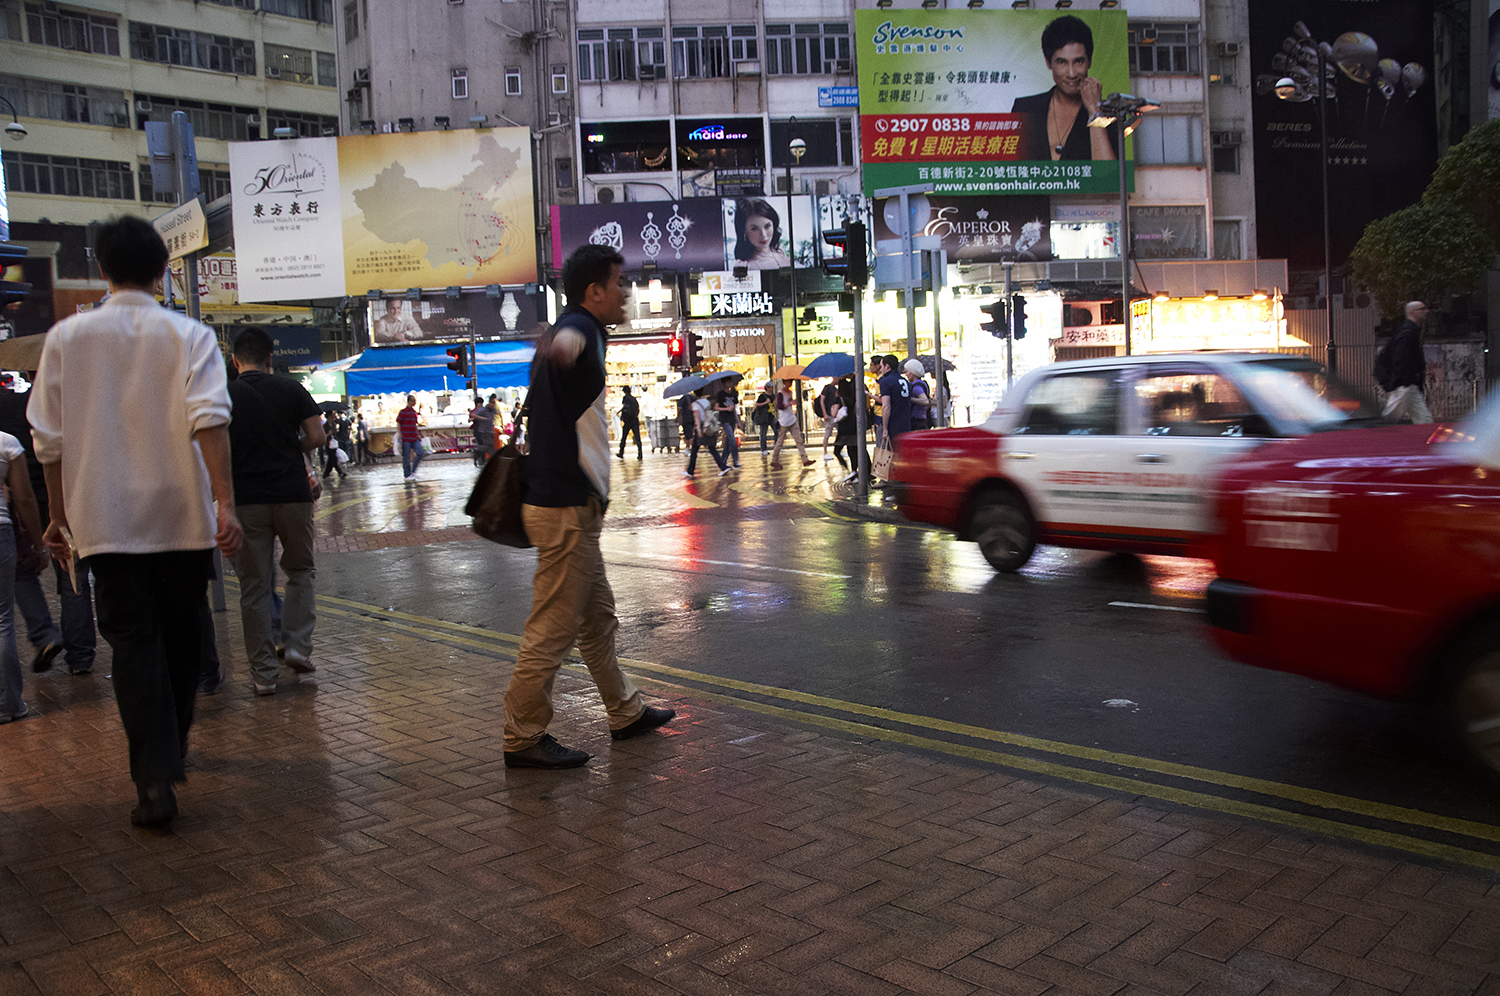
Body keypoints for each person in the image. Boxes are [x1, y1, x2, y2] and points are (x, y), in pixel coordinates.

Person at [29, 215, 243, 827]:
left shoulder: (66, 338)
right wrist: (224, 504)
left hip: (103, 520)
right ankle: (169, 747)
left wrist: (58, 515)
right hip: (180, 517)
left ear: (101, 269)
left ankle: (153, 775)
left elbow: (48, 441)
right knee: (180, 637)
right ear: (161, 271)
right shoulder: (189, 335)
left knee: (131, 644)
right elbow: (211, 422)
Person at [503, 243, 675, 769]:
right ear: (594, 291)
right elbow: (568, 341)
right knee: (552, 627)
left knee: (596, 617)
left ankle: (624, 712)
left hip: (573, 506)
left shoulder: (580, 330)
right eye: (619, 283)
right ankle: (522, 736)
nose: (626, 293)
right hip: (564, 507)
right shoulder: (578, 328)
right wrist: (565, 342)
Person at [226, 327, 325, 696]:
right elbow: (316, 437)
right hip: (292, 495)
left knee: (254, 587)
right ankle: (297, 645)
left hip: (246, 499)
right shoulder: (291, 389)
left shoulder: (225, 394)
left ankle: (264, 675)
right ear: (271, 358)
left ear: (236, 362)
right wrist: (289, 448)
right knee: (300, 571)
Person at [0, 377, 95, 677]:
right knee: (72, 575)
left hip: (22, 500)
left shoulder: (7, 407)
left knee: (21, 575)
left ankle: (44, 636)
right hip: (65, 497)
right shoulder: (62, 406)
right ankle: (79, 656)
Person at [1010, 15, 1119, 163]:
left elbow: (1109, 179)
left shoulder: (1109, 115)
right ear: (1048, 63)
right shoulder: (1025, 108)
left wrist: (1095, 110)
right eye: (1062, 62)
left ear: (1090, 61)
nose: (1072, 73)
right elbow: (1007, 172)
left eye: (1078, 62)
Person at [0, 428, 50, 723]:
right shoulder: (7, 442)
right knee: (3, 619)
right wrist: (37, 544)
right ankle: (7, 705)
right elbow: (25, 499)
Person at [1382, 301, 1433, 424]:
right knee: (1389, 418)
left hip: (1408, 384)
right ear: (1413, 312)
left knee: (1424, 420)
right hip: (1405, 384)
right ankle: (1371, 435)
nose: (1426, 311)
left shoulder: (1408, 331)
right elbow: (1402, 358)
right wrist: (1403, 379)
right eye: (1422, 309)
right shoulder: (1408, 333)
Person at [732, 198, 791, 270]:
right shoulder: (744, 265)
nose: (764, 235)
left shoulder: (780, 252)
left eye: (767, 226)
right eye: (755, 229)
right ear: (744, 231)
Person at [685, 387, 731, 478]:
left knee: (696, 450)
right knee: (711, 448)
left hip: (702, 428)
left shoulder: (695, 404)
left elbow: (697, 418)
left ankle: (691, 471)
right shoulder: (706, 402)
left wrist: (698, 430)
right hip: (709, 426)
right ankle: (722, 466)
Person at [769, 380, 814, 469]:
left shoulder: (790, 392)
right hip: (784, 421)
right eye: (788, 382)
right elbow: (779, 406)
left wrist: (793, 402)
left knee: (799, 440)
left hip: (792, 419)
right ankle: (774, 460)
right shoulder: (780, 393)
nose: (790, 383)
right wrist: (789, 404)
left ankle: (805, 459)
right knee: (780, 442)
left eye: (791, 382)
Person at [876, 355, 913, 446]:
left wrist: (885, 429)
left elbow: (886, 406)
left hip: (893, 424)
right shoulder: (905, 382)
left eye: (881, 367)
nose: (880, 370)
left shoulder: (885, 382)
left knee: (893, 454)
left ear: (887, 366)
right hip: (906, 423)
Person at [396, 394, 424, 479]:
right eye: (412, 401)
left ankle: (413, 471)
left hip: (414, 437)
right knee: (406, 457)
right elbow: (398, 423)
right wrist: (399, 434)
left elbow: (414, 425)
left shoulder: (414, 413)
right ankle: (407, 474)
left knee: (420, 452)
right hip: (406, 437)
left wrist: (417, 434)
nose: (414, 402)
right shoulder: (403, 412)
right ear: (408, 401)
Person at [714, 385, 741, 469]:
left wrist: (738, 421)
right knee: (732, 439)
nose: (729, 384)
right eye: (728, 382)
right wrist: (726, 409)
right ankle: (735, 460)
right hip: (724, 420)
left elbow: (735, 409)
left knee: (729, 441)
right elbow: (716, 407)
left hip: (732, 419)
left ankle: (723, 461)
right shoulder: (721, 394)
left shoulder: (733, 394)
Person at [904, 359, 933, 431]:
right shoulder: (923, 383)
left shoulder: (916, 387)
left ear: (912, 372)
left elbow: (925, 401)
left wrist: (909, 399)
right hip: (923, 418)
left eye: (906, 372)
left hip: (916, 419)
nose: (906, 374)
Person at [617, 385, 641, 460]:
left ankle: (621, 452)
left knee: (624, 437)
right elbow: (637, 408)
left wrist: (623, 417)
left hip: (628, 420)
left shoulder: (625, 398)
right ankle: (640, 453)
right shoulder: (634, 399)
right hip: (634, 419)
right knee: (637, 437)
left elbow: (625, 408)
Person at [320, 412, 347, 480]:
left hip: (334, 444)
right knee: (333, 459)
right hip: (328, 444)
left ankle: (326, 474)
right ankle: (339, 472)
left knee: (331, 460)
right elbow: (323, 436)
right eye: (332, 417)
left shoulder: (333, 425)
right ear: (329, 417)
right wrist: (328, 434)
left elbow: (335, 434)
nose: (333, 418)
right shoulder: (325, 426)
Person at [470, 395, 497, 462]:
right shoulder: (483, 410)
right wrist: (482, 418)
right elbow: (472, 415)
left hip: (489, 431)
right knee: (489, 446)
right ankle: (481, 454)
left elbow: (498, 412)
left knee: (489, 446)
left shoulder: (492, 410)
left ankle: (480, 454)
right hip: (483, 431)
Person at [817, 382, 840, 459]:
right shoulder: (827, 388)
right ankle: (825, 452)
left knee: (839, 432)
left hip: (835, 414)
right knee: (827, 434)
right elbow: (822, 400)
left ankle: (838, 449)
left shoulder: (835, 389)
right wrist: (824, 413)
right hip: (829, 414)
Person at [751, 383, 775, 453]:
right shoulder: (762, 396)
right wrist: (765, 402)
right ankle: (763, 449)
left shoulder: (773, 396)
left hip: (771, 415)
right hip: (764, 417)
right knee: (763, 433)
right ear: (767, 388)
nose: (772, 389)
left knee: (777, 430)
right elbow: (757, 405)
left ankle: (777, 446)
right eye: (771, 387)